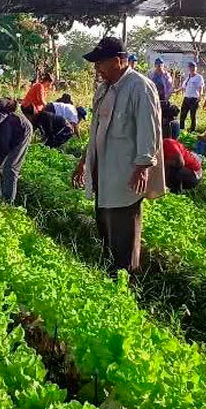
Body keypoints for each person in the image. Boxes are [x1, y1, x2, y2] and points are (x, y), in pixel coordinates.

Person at [71, 37, 165, 273]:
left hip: (126, 175)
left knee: (124, 231)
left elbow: (149, 129)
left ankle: (126, 284)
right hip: (103, 172)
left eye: (100, 63)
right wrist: (84, 161)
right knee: (105, 228)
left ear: (117, 61)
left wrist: (143, 165)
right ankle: (110, 277)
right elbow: (96, 131)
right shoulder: (104, 89)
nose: (97, 69)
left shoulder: (140, 87)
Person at [174, 61, 204, 132]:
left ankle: (192, 130)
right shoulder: (188, 78)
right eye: (190, 67)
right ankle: (181, 129)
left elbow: (201, 87)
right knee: (182, 115)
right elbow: (183, 87)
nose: (192, 68)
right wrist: (176, 91)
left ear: (196, 68)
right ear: (189, 68)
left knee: (192, 116)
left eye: (193, 67)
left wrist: (200, 96)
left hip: (194, 99)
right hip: (186, 98)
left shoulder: (199, 77)